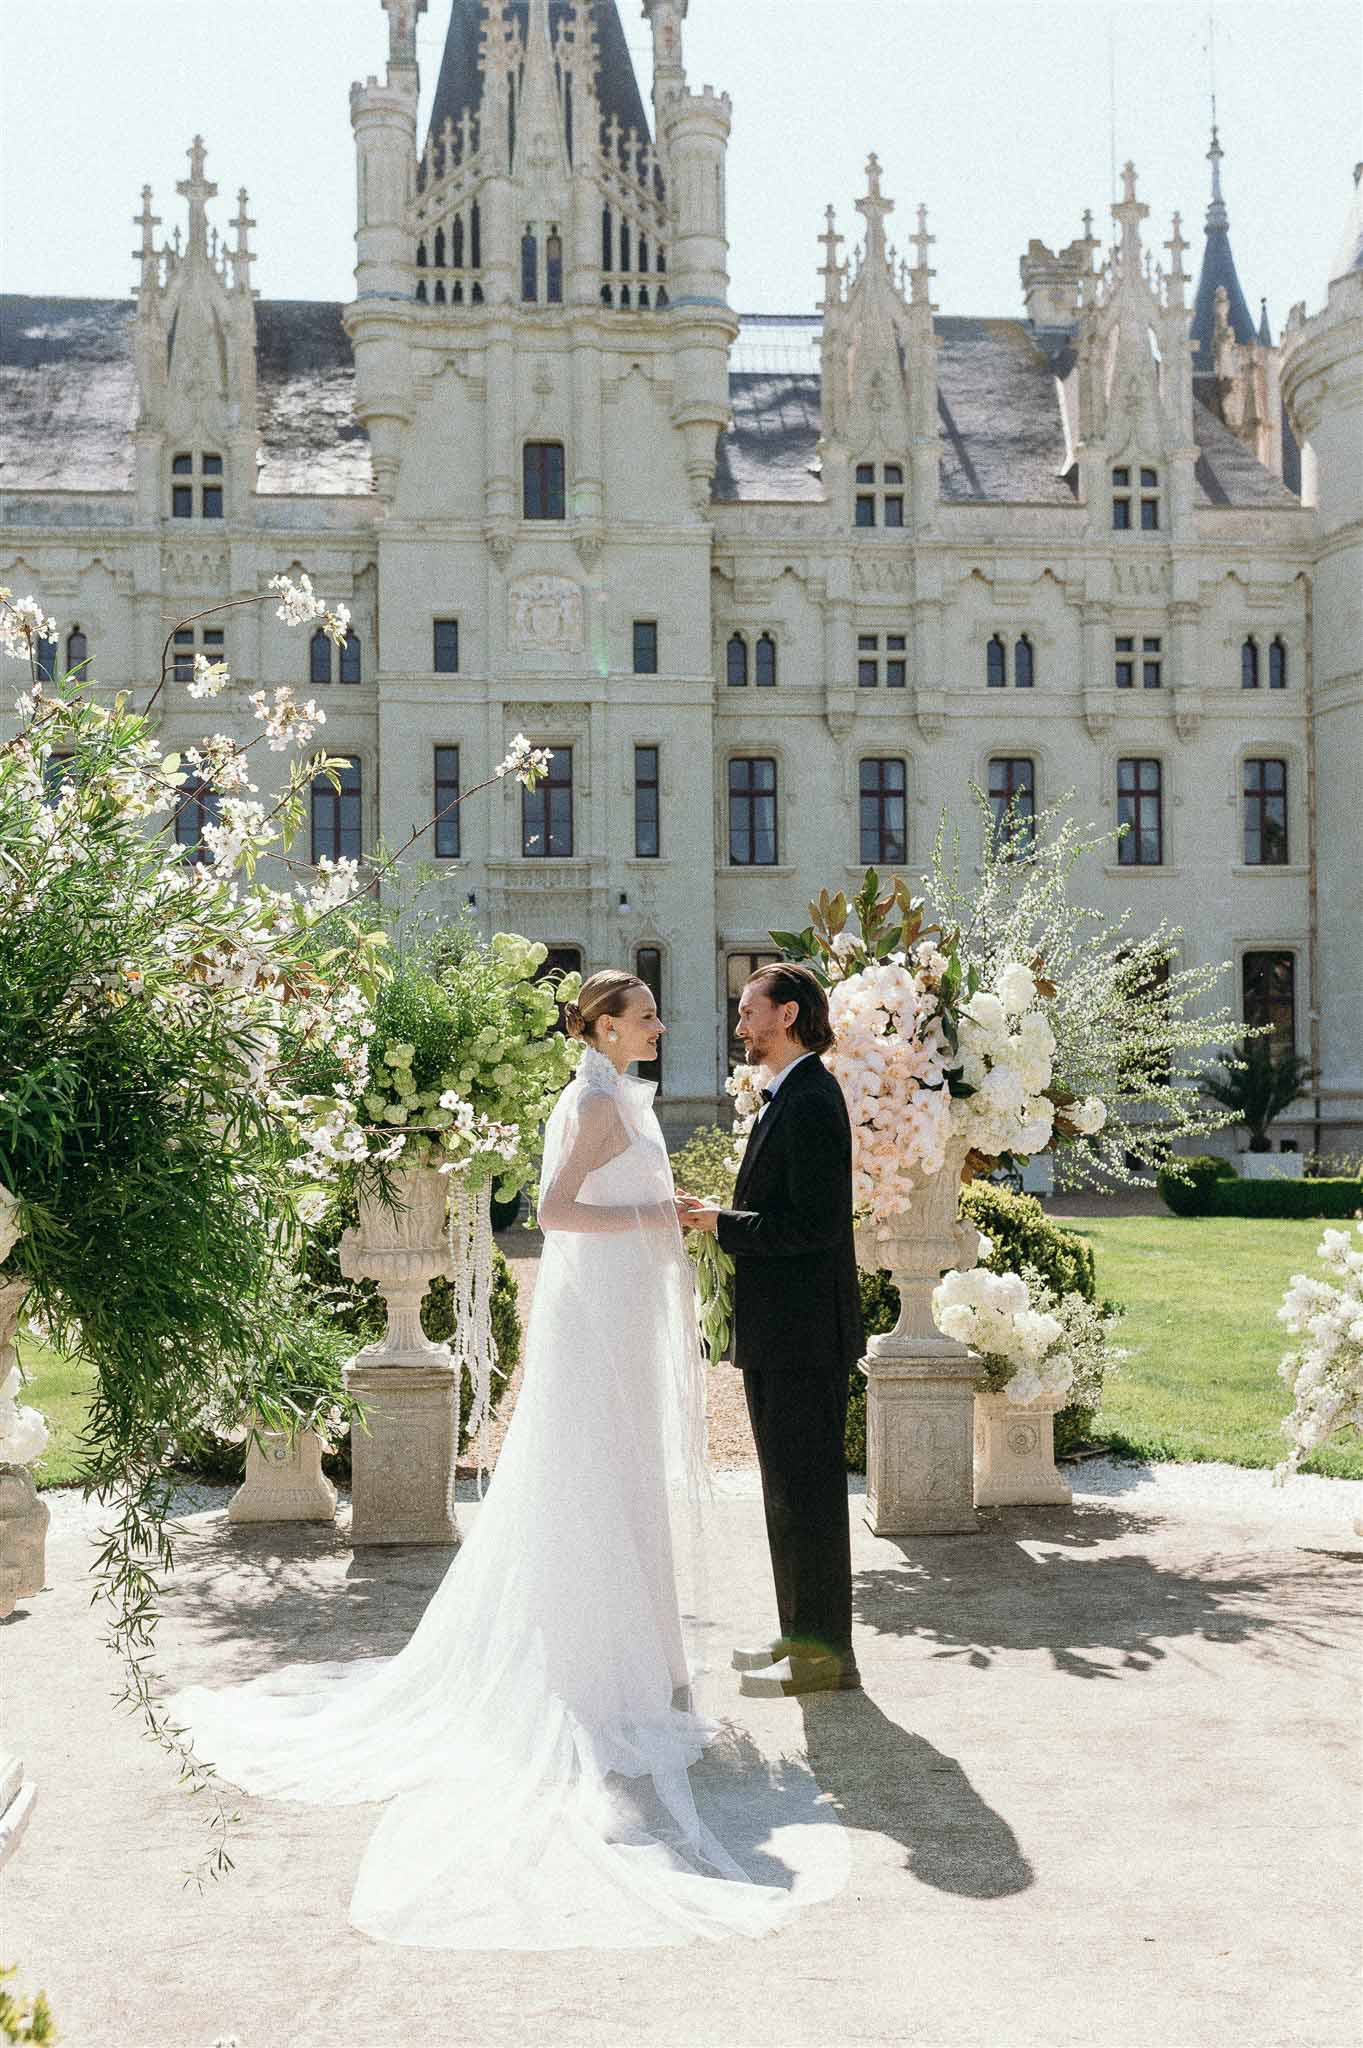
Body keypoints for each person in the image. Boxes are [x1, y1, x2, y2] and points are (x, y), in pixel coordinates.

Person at [168, 971, 845, 1949]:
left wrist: (668, 1215)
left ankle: (631, 1672)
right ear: (607, 1025)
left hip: (611, 1308)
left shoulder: (615, 1094)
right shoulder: (600, 1103)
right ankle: (594, 1676)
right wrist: (661, 1219)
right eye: (647, 1012)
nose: (664, 1021)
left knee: (617, 1483)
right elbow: (559, 1212)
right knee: (594, 1479)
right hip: (601, 1307)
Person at [679, 963, 864, 1698]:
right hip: (782, 1334)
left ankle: (825, 1660)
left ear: (787, 1014)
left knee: (810, 1500)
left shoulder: (813, 1099)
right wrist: (718, 1213)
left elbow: (815, 1227)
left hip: (804, 1335)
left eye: (749, 1010)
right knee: (787, 1497)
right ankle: (801, 1640)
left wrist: (719, 1224)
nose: (739, 1023)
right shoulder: (784, 1096)